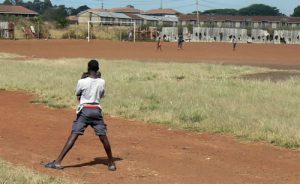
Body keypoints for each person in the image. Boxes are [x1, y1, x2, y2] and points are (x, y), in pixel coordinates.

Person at [45, 60, 116, 171]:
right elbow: (101, 95)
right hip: (96, 110)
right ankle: (111, 163)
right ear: (98, 69)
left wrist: (83, 79)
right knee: (103, 137)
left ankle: (58, 162)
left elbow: (78, 95)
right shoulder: (102, 81)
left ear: (88, 68)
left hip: (84, 111)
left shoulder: (82, 81)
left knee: (74, 135)